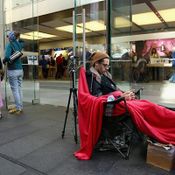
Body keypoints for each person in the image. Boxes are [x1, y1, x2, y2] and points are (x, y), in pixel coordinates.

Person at [74, 51, 175, 160]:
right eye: (104, 65)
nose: (107, 68)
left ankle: (170, 119)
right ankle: (170, 122)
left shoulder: (103, 75)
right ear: (96, 64)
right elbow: (98, 99)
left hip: (119, 102)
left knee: (149, 105)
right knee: (149, 108)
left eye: (108, 65)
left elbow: (113, 92)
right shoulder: (92, 78)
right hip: (114, 106)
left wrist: (124, 93)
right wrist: (120, 96)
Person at [3, 31, 23, 115]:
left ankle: (18, 108)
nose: (7, 38)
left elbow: (7, 57)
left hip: (13, 70)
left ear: (10, 37)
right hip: (20, 69)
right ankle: (20, 106)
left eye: (8, 36)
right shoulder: (18, 44)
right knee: (19, 88)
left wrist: (4, 60)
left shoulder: (9, 45)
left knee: (15, 90)